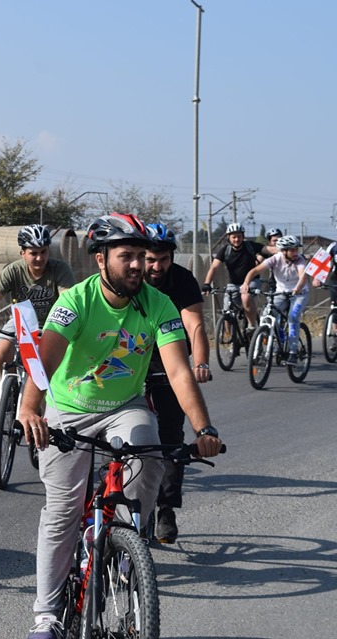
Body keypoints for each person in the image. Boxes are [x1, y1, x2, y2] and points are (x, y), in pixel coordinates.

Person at [17, 212, 222, 639]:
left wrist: (203, 430)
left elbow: (180, 372)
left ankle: (125, 547)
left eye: (141, 256)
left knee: (150, 456)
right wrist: (30, 411)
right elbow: (45, 360)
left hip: (124, 406)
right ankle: (47, 616)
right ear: (100, 259)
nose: (138, 265)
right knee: (62, 509)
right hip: (67, 407)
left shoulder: (158, 303)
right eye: (126, 256)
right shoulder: (75, 301)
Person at [143, 223, 211, 544]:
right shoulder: (131, 278)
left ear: (172, 257)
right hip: (129, 361)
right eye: (151, 259)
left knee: (171, 437)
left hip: (169, 360)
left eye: (164, 259)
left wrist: (199, 362)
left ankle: (166, 508)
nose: (157, 267)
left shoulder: (182, 279)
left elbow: (194, 324)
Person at [0, 224, 75, 374]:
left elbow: (67, 297)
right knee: (2, 351)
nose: (39, 258)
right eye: (33, 253)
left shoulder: (60, 269)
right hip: (21, 322)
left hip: (52, 323)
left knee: (51, 366)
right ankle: (7, 387)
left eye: (44, 252)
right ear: (23, 253)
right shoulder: (13, 270)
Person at [247, 235, 309, 366]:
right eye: (292, 250)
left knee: (293, 317)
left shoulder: (300, 260)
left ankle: (293, 352)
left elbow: (302, 276)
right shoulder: (275, 259)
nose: (295, 253)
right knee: (267, 315)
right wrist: (245, 284)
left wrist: (297, 288)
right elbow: (255, 270)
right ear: (283, 251)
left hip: (299, 293)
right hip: (281, 292)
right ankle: (263, 346)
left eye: (296, 249)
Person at [201, 223, 265, 333]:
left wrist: (283, 249)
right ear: (228, 238)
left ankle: (252, 325)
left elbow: (267, 249)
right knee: (227, 312)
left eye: (239, 236)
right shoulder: (225, 251)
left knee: (246, 297)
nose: (237, 239)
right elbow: (214, 268)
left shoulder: (250, 246)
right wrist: (207, 284)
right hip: (233, 284)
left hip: (252, 282)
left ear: (243, 236)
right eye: (234, 237)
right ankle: (229, 336)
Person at [261, 227, 283, 293]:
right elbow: (257, 261)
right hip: (272, 284)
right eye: (275, 240)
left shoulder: (287, 251)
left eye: (279, 239)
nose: (278, 242)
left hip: (287, 284)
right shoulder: (267, 252)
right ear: (269, 242)